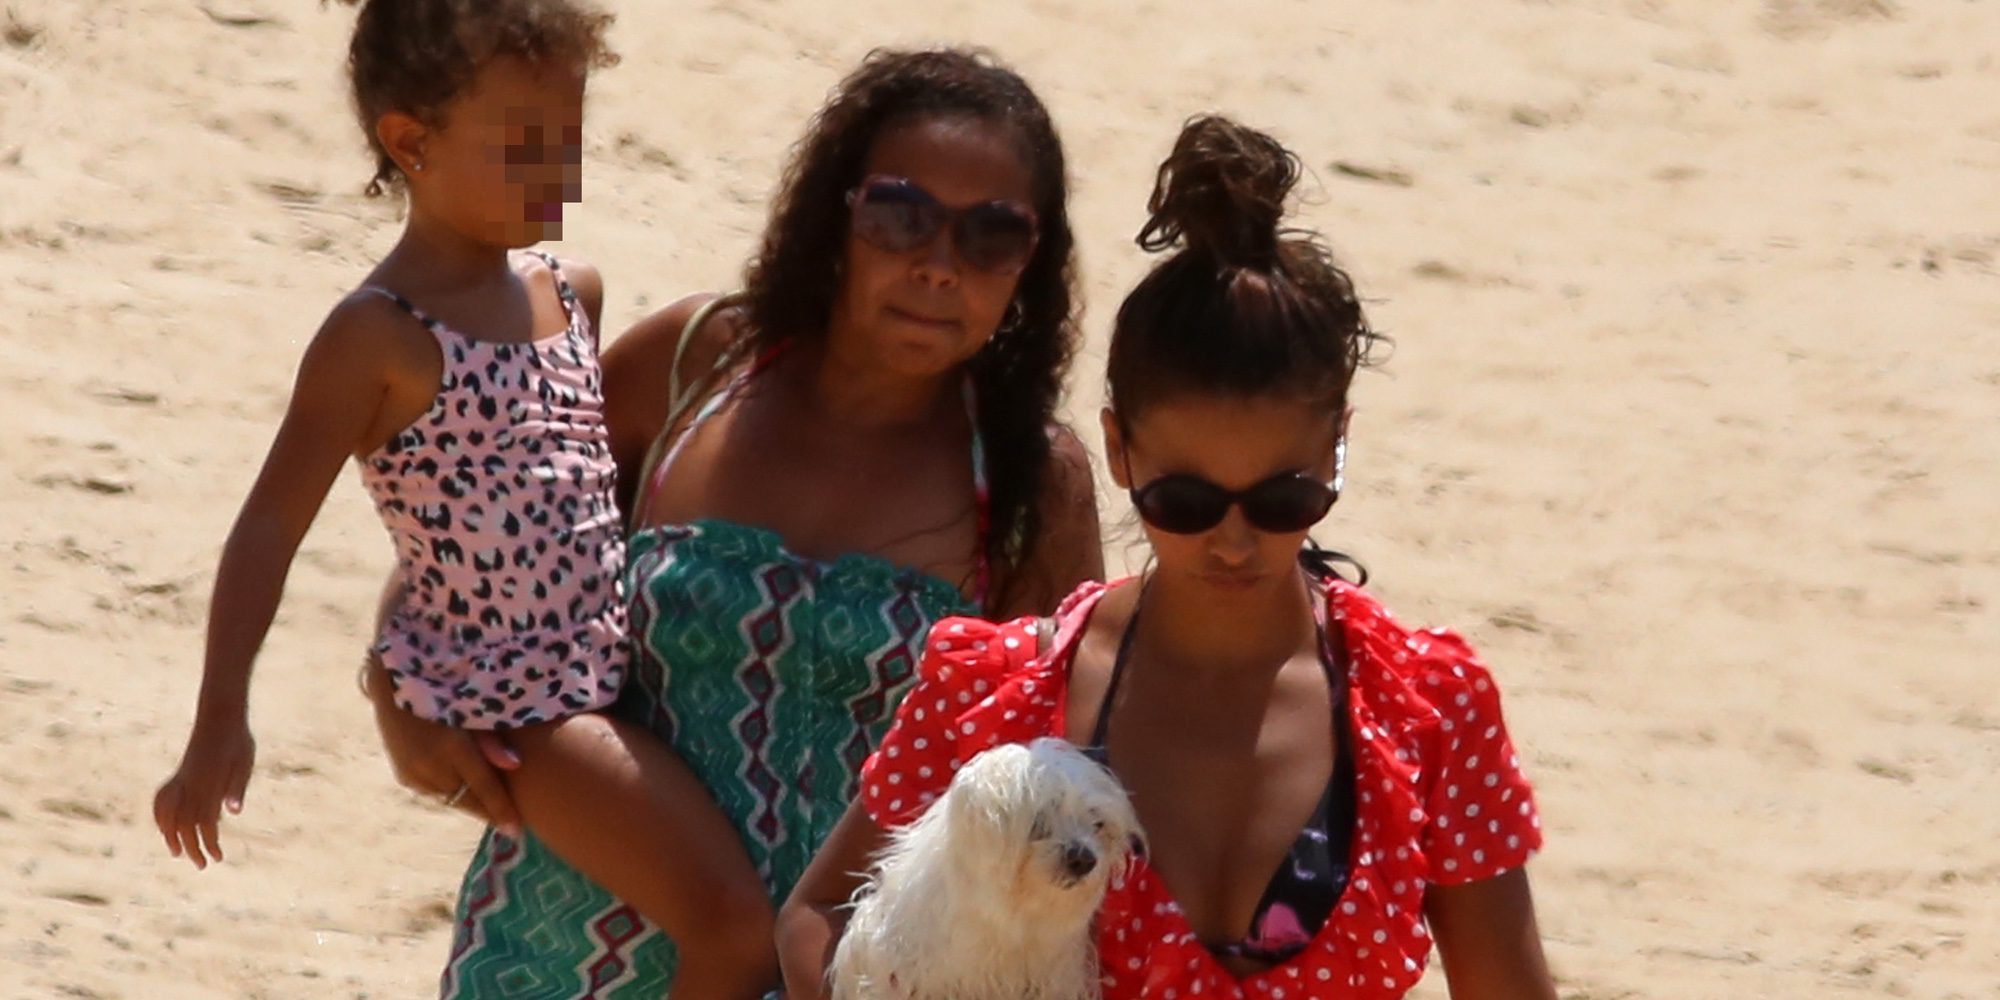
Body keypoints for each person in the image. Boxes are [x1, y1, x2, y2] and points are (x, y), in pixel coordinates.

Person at [367, 47, 1104, 998]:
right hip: (561, 943)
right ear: (836, 216)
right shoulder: (692, 366)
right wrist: (395, 675)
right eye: (900, 216)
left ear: (1031, 263)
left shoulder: (1027, 480)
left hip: (840, 974)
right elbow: (487, 529)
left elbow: (1065, 776)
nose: (937, 266)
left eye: (990, 236)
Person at [781, 116, 1560, 1000]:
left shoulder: (1429, 712)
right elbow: (820, 918)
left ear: (1339, 451)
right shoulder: (1001, 691)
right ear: (1119, 452)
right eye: (1184, 503)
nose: (1233, 541)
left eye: (1282, 501)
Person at [150, 2, 776, 996]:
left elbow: (568, 483)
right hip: (522, 708)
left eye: (569, 142)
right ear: (412, 141)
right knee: (737, 931)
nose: (560, 174)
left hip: (617, 669)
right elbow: (269, 525)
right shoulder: (378, 336)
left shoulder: (572, 289)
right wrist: (221, 715)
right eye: (527, 149)